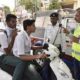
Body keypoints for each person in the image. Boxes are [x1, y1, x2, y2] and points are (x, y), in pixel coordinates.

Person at [0, 14, 27, 80]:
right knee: (21, 62)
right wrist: (13, 37)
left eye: (16, 22)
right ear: (7, 22)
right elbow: (7, 52)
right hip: (3, 56)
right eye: (13, 22)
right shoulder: (3, 34)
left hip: (12, 54)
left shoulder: (15, 31)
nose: (15, 24)